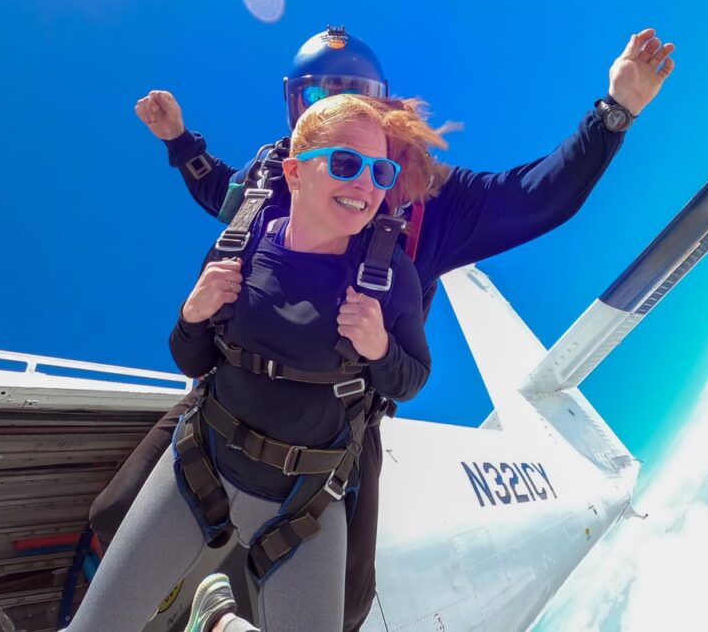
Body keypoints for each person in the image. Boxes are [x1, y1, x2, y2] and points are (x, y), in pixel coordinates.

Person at [90, 25, 675, 630]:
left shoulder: (430, 202)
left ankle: (218, 610)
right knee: (115, 514)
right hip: (234, 391)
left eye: (354, 97)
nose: (334, 111)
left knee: (345, 606)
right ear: (297, 113)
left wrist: (615, 111)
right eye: (314, 99)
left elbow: (534, 197)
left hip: (341, 415)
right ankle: (175, 596)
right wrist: (179, 141)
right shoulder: (276, 181)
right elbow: (224, 191)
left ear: (385, 107)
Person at [67, 94, 441, 631]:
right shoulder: (239, 245)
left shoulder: (390, 275)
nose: (365, 183)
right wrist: (192, 315)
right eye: (344, 163)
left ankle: (218, 621)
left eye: (380, 172)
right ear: (294, 172)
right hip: (199, 469)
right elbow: (190, 357)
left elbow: (412, 378)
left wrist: (379, 348)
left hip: (304, 504)